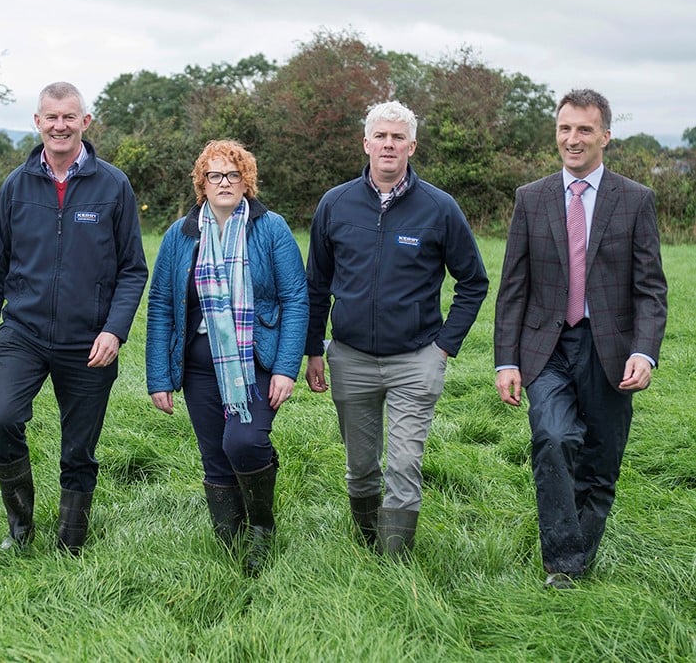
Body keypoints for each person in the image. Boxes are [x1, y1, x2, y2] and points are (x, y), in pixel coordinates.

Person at [494, 89, 668, 589]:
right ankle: (563, 565)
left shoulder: (635, 200)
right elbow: (513, 287)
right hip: (546, 346)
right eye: (565, 128)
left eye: (584, 129)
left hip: (610, 349)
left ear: (605, 137)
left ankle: (578, 551)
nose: (572, 139)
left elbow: (650, 288)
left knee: (600, 458)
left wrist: (644, 351)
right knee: (553, 437)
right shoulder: (531, 198)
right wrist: (505, 360)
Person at [304, 101, 488, 557]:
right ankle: (368, 547)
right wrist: (312, 351)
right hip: (350, 357)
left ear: (412, 145)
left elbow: (474, 281)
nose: (389, 145)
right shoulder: (336, 204)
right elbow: (315, 286)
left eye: (398, 137)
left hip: (416, 359)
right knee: (361, 467)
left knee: (405, 464)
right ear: (366, 143)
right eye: (381, 137)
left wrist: (444, 347)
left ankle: (394, 564)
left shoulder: (439, 208)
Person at [0, 82, 147, 555]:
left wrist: (114, 330)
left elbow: (134, 269)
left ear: (85, 123)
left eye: (69, 117)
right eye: (51, 117)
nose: (60, 125)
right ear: (37, 122)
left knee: (78, 448)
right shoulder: (16, 185)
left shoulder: (113, 185)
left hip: (89, 341)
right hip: (24, 334)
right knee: (2, 419)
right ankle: (21, 529)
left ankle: (72, 542)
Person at [146, 139, 308, 576]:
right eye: (214, 175)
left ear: (246, 181)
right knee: (214, 453)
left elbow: (295, 297)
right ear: (202, 182)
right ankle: (229, 537)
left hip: (254, 361)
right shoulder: (180, 235)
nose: (224, 182)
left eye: (232, 175)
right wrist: (159, 376)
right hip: (198, 366)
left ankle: (261, 527)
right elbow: (161, 304)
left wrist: (286, 368)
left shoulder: (270, 228)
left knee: (244, 441)